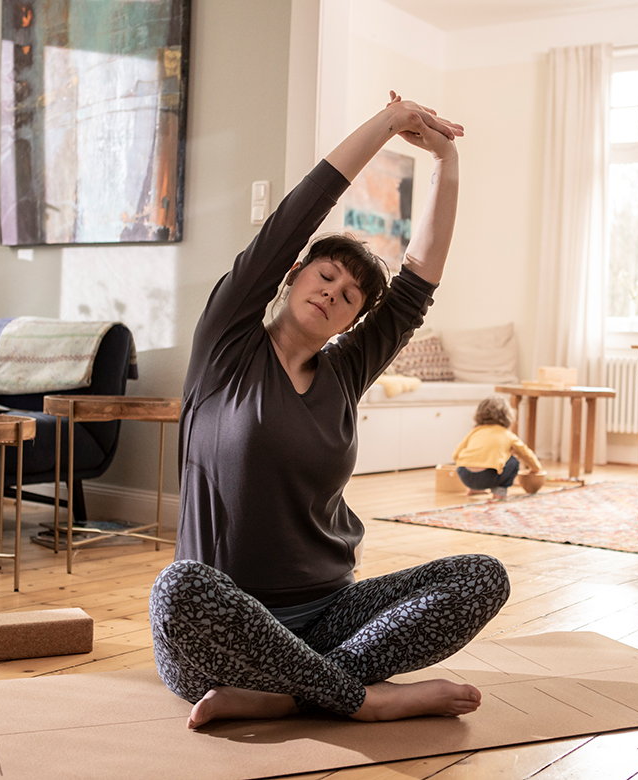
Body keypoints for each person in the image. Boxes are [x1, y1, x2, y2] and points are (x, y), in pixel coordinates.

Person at [148, 92, 511, 729]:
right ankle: (359, 698)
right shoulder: (227, 343)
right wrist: (388, 123)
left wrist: (446, 159)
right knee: (178, 590)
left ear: (355, 319)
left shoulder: (345, 371)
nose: (333, 294)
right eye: (325, 277)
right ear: (291, 276)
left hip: (327, 616)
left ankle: (290, 694)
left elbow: (419, 280)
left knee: (482, 577)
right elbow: (294, 216)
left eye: (349, 296)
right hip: (221, 628)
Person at [452, 396, 542, 499]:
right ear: (507, 415)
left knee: (480, 467)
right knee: (513, 461)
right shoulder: (507, 434)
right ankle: (500, 492)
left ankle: (473, 489)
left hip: (465, 475)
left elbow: (456, 454)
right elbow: (525, 453)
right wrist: (536, 468)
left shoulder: (475, 432)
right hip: (487, 477)